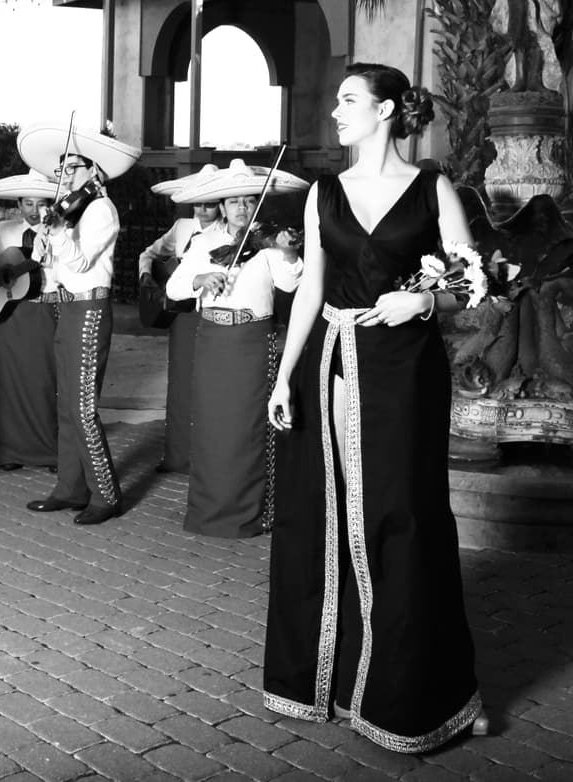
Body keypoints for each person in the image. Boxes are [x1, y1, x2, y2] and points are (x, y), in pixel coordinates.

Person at [263, 62, 485, 752]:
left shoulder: (432, 188)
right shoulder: (324, 193)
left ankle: (418, 691)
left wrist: (425, 299)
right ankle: (329, 680)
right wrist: (284, 376)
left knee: (404, 517)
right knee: (326, 514)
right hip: (331, 362)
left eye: (349, 100)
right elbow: (310, 289)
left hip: (405, 373)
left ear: (386, 110)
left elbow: (474, 283)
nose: (336, 111)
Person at [164, 160, 308, 538]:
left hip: (252, 340)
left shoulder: (268, 243)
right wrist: (199, 277)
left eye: (249, 200)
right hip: (213, 340)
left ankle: (253, 513)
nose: (242, 208)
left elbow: (291, 283)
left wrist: (289, 253)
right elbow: (174, 289)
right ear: (223, 207)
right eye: (234, 201)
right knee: (212, 427)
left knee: (249, 428)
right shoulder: (203, 243)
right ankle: (209, 511)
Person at [18, 123, 142, 526]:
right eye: (62, 170)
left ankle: (106, 494)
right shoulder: (71, 213)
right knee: (66, 404)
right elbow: (60, 272)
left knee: (83, 407)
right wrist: (44, 249)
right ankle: (69, 488)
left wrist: (58, 235)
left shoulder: (101, 209)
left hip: (90, 309)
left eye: (74, 167)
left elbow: (84, 262)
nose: (66, 176)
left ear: (94, 170)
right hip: (69, 307)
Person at [0, 170, 60, 472]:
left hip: (46, 311)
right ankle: (10, 451)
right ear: (18, 204)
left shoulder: (60, 230)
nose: (34, 210)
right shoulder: (4, 229)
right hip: (11, 314)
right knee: (11, 383)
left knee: (47, 380)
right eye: (28, 203)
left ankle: (51, 451)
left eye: (41, 203)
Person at [139, 164, 223, 474]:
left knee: (210, 386)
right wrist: (147, 278)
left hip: (212, 316)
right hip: (182, 317)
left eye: (210, 203)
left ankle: (206, 457)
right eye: (198, 202)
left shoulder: (231, 233)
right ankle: (176, 455)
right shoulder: (182, 227)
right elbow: (148, 253)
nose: (203, 209)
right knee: (180, 385)